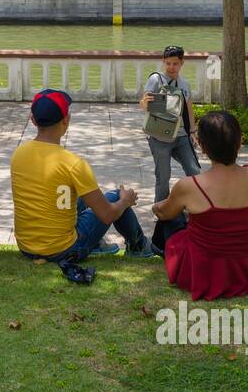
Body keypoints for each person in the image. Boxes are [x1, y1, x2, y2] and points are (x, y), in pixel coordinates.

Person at [152, 110, 248, 299]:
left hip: (202, 269)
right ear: (239, 143)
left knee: (171, 223)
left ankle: (144, 248)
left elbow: (164, 213)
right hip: (243, 265)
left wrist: (157, 206)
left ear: (202, 147)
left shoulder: (189, 185)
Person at [11, 88, 155, 281]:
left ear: (33, 120)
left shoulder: (18, 154)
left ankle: (98, 245)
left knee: (80, 198)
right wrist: (126, 200)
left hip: (26, 246)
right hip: (62, 250)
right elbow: (107, 214)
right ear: (66, 120)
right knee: (113, 197)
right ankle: (137, 245)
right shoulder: (73, 163)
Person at [139, 44, 201, 206]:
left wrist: (193, 131)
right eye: (168, 63)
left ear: (182, 63)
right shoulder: (156, 79)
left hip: (181, 136)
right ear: (163, 62)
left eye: (175, 63)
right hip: (159, 136)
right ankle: (161, 210)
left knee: (195, 171)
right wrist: (146, 103)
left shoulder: (185, 84)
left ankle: (194, 206)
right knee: (163, 176)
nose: (171, 67)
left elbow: (189, 109)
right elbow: (144, 104)